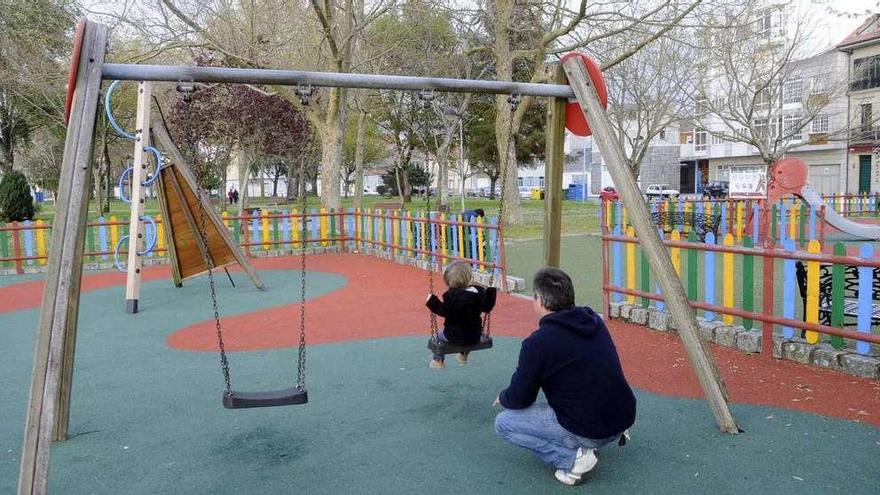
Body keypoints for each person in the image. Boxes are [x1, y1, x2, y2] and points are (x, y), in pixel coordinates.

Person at [493, 267, 636, 486]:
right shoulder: (592, 320)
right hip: (622, 415)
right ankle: (590, 439)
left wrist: (503, 398)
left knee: (504, 423)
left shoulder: (538, 343)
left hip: (593, 428)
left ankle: (573, 459)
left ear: (539, 299)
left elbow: (521, 398)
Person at [425, 261, 497, 369]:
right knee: (467, 338)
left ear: (448, 282)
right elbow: (487, 307)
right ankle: (463, 356)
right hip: (474, 336)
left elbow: (442, 310)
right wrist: (491, 292)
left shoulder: (450, 297)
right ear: (469, 278)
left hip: (453, 336)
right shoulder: (478, 293)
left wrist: (431, 301)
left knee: (438, 338)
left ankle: (438, 361)